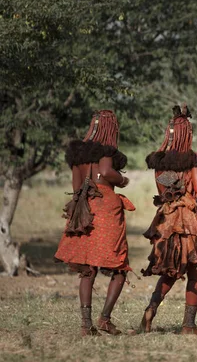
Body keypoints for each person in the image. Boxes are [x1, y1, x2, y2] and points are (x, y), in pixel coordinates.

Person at [55, 110, 134, 336]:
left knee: (88, 269)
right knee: (119, 266)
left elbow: (77, 186)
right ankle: (105, 319)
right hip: (106, 209)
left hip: (83, 209)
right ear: (111, 129)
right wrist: (123, 179)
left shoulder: (77, 155)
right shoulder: (106, 150)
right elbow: (106, 171)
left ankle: (85, 324)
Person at [140, 105, 197, 335]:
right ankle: (188, 325)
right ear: (187, 133)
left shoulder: (159, 161)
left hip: (168, 219)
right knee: (195, 269)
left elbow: (162, 191)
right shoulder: (193, 158)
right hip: (190, 219)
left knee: (170, 268)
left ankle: (151, 309)